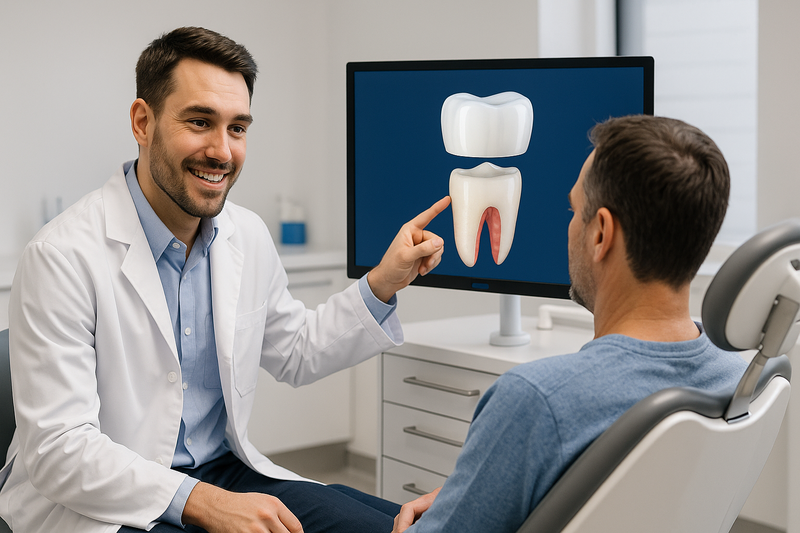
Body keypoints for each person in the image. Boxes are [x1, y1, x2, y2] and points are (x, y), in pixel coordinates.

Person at [0, 27, 450, 533]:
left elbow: (296, 351)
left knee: (393, 527)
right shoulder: (61, 255)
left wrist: (383, 282)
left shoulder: (246, 234)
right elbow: (60, 451)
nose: (221, 151)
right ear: (142, 122)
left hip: (223, 474)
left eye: (237, 128)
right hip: (99, 504)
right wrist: (202, 502)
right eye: (199, 122)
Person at [391, 115, 749, 533]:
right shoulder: (740, 379)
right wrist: (475, 491)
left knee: (312, 502)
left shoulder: (537, 399)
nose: (569, 224)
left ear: (601, 235)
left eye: (574, 210)